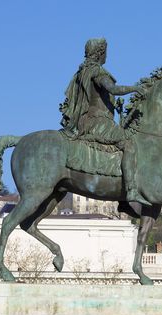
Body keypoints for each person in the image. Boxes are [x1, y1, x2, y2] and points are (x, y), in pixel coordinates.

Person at [59, 38, 149, 205]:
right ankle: (131, 191)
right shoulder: (97, 72)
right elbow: (113, 89)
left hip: (88, 120)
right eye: (106, 51)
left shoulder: (82, 71)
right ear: (100, 52)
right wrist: (135, 88)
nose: (107, 54)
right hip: (97, 122)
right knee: (129, 144)